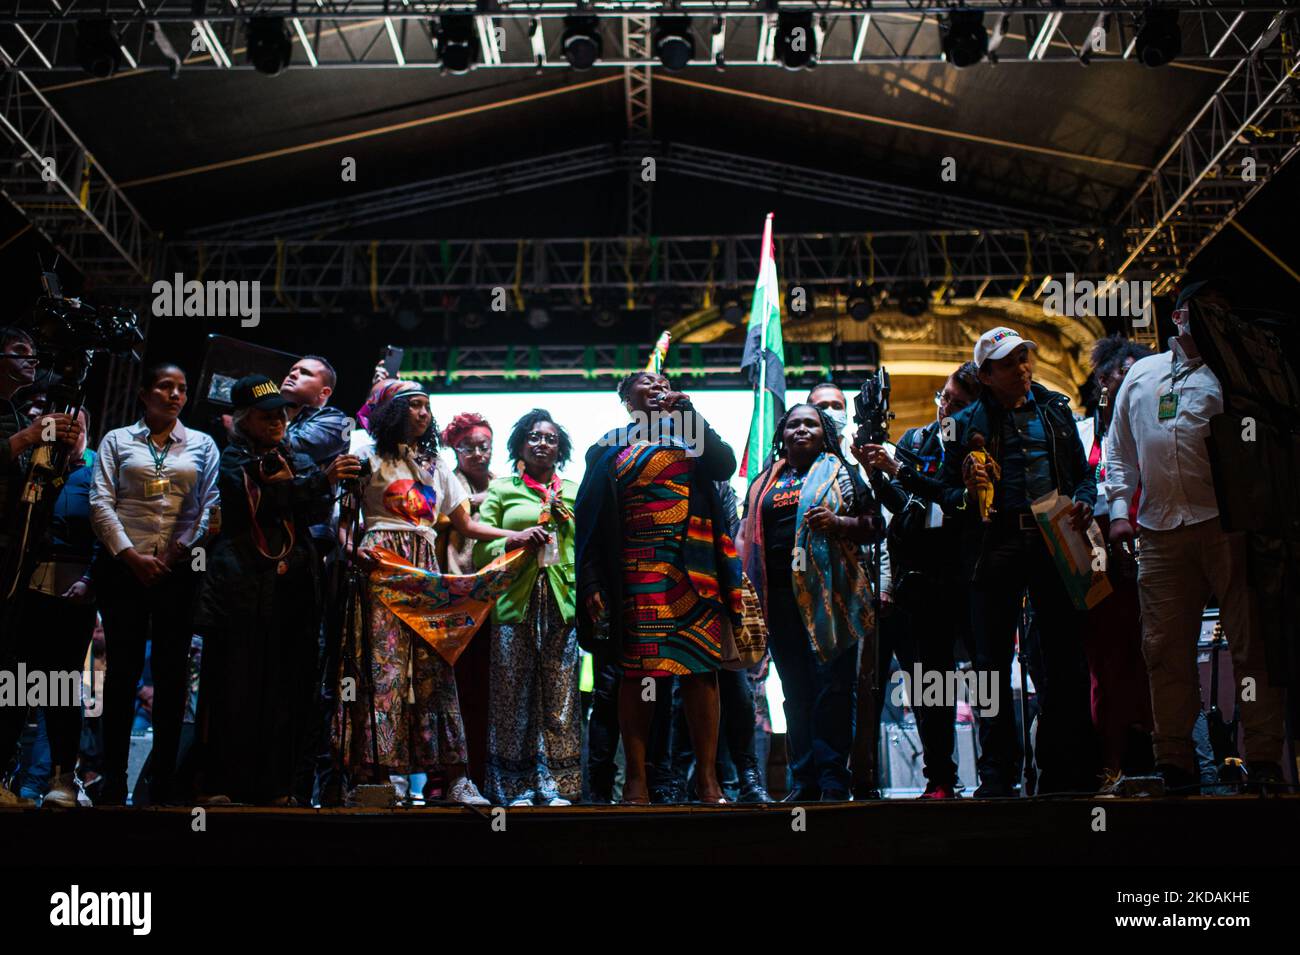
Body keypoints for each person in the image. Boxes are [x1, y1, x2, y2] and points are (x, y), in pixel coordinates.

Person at [1104, 282, 1286, 789]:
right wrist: (1121, 508)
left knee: (1251, 648)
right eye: (1208, 315)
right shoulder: (1142, 375)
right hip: (1160, 529)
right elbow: (1118, 448)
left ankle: (1265, 754)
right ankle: (1175, 759)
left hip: (1229, 525)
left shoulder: (1236, 373)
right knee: (1164, 647)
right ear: (1181, 317)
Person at [337, 380, 545, 805]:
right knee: (385, 673)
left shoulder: (434, 465)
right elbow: (341, 522)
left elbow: (465, 525)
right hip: (384, 567)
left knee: (437, 673)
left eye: (426, 407)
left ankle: (454, 779)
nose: (422, 413)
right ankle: (386, 775)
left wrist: (515, 534)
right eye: (413, 406)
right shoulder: (366, 454)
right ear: (392, 411)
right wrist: (351, 550)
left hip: (425, 570)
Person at [936, 327, 1100, 797]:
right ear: (985, 374)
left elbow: (1083, 475)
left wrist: (1082, 500)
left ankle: (1064, 768)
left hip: (1056, 538)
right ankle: (996, 773)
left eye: (1024, 359)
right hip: (996, 542)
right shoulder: (963, 424)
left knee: (1064, 657)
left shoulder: (1055, 412)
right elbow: (946, 492)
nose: (1022, 368)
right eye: (1009, 363)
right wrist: (967, 496)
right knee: (990, 663)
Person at [576, 371, 745, 804]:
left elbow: (724, 464)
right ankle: (636, 779)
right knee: (638, 675)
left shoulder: (690, 435)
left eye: (663, 382)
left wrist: (689, 414)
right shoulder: (607, 445)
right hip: (634, 574)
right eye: (645, 382)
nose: (656, 386)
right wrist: (594, 579)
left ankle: (707, 781)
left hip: (694, 574)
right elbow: (590, 520)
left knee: (699, 671)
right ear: (625, 397)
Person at [192, 375, 355, 805]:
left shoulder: (293, 454)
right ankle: (222, 784)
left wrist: (303, 487)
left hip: (293, 589)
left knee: (288, 688)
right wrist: (310, 484)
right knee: (235, 687)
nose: (278, 422)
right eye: (267, 416)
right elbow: (255, 505)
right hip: (241, 587)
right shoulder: (232, 458)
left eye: (282, 414)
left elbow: (315, 508)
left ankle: (279, 786)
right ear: (244, 420)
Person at [89, 363, 220, 806]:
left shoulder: (202, 444)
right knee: (122, 674)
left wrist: (174, 553)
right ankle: (112, 779)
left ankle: (162, 782)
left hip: (177, 571)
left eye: (182, 388)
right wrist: (130, 555)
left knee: (170, 675)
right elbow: (101, 501)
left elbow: (210, 507)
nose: (175, 395)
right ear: (144, 394)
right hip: (123, 569)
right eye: (165, 386)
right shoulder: (116, 440)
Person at [737, 403, 881, 801]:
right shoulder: (765, 481)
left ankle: (834, 780)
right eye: (793, 424)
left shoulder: (843, 472)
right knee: (795, 693)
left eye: (811, 424)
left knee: (833, 689)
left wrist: (839, 524)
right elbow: (748, 535)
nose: (801, 430)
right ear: (782, 434)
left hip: (830, 599)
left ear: (824, 433)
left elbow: (874, 526)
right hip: (779, 600)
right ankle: (805, 781)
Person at [856, 362, 979, 799]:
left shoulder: (979, 445)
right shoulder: (917, 439)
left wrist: (899, 470)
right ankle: (940, 777)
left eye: (959, 403)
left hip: (971, 575)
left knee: (987, 679)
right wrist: (876, 472)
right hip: (923, 581)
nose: (946, 407)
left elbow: (957, 502)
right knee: (932, 683)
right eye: (944, 397)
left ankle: (998, 775)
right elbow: (907, 507)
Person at [474, 409, 580, 806]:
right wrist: (514, 539)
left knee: (560, 696)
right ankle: (514, 788)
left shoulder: (571, 489)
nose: (542, 443)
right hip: (512, 604)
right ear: (520, 445)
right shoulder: (503, 489)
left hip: (561, 604)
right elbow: (479, 548)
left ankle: (556, 785)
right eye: (534, 437)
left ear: (560, 449)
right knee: (512, 696)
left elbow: (582, 548)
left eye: (550, 438)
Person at [0, 401, 97, 808]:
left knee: (61, 687)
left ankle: (63, 777)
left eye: (75, 426)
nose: (68, 432)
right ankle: (5, 774)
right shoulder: (35, 467)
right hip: (28, 587)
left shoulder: (95, 471)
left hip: (74, 588)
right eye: (60, 425)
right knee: (16, 683)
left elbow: (109, 526)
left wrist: (92, 580)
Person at [1081, 335, 1155, 787]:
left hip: (1150, 547)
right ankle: (1109, 762)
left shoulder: (1152, 424)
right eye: (1116, 378)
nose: (1125, 385)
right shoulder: (1081, 430)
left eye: (1134, 377)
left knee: (1151, 654)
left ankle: (1161, 754)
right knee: (1104, 660)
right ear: (1102, 382)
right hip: (1097, 558)